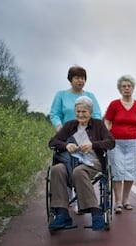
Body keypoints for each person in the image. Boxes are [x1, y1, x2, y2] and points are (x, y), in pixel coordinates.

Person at [48, 96, 115, 231]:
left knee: (79, 171)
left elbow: (111, 142)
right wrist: (66, 145)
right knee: (56, 169)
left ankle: (96, 214)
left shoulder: (98, 125)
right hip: (69, 162)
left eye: (84, 112)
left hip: (92, 164)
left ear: (90, 112)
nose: (80, 114)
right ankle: (62, 214)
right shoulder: (69, 126)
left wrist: (93, 145)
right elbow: (53, 142)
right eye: (78, 111)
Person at [49, 65, 102, 214]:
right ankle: (65, 197)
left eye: (83, 78)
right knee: (64, 162)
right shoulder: (61, 95)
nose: (81, 80)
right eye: (77, 77)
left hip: (86, 134)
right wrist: (60, 128)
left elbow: (97, 114)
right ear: (70, 79)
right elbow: (54, 113)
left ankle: (81, 198)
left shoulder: (90, 96)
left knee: (82, 164)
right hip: (67, 135)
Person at [104, 75, 136, 214]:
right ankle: (117, 202)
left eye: (129, 86)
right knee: (117, 172)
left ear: (132, 88)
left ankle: (126, 200)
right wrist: (107, 135)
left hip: (134, 142)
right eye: (123, 86)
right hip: (116, 142)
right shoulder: (114, 104)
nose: (126, 88)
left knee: (131, 171)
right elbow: (107, 121)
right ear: (120, 89)